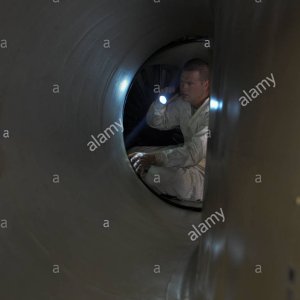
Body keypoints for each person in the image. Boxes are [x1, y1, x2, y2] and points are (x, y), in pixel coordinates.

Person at [128, 59, 210, 202]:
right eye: (182, 82)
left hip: (205, 170)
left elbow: (193, 154)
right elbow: (156, 122)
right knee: (133, 153)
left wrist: (155, 158)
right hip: (184, 155)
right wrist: (161, 101)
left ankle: (147, 176)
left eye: (190, 83)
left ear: (205, 85)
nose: (183, 87)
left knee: (166, 177)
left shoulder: (213, 113)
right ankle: (145, 174)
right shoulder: (184, 103)